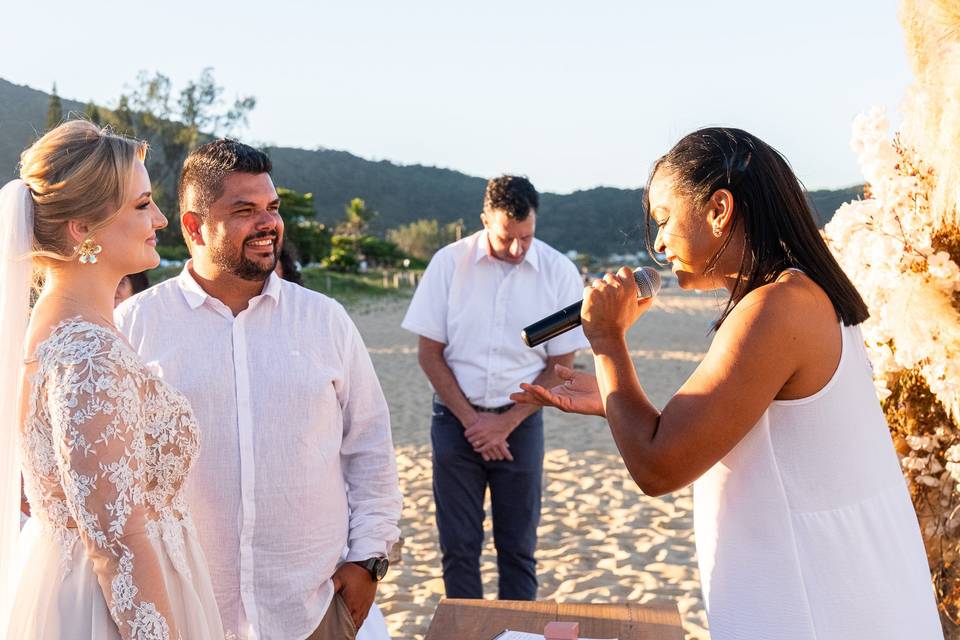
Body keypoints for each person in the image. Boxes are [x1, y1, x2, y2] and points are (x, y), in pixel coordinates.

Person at [512, 127, 942, 638]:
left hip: (817, 606)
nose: (657, 245)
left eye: (665, 220)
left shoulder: (775, 310)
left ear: (719, 209)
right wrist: (615, 399)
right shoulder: (802, 293)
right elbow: (731, 435)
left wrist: (606, 339)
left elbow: (658, 466)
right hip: (845, 590)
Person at [115, 139, 402, 640]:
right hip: (187, 613)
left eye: (272, 208)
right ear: (193, 226)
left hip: (313, 610)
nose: (268, 223)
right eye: (245, 211)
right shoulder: (136, 325)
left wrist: (369, 561)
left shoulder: (325, 321)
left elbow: (370, 450)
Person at [0, 120, 224, 638]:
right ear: (83, 228)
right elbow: (117, 541)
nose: (162, 219)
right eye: (143, 205)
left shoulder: (65, 329)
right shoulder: (89, 356)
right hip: (109, 611)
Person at [402, 175, 588, 600]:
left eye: (527, 236)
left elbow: (561, 365)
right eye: (507, 238)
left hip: (521, 424)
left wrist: (504, 424)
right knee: (458, 548)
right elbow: (430, 353)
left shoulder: (558, 272)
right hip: (454, 421)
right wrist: (474, 423)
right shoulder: (449, 263)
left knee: (519, 549)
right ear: (485, 219)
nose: (518, 249)